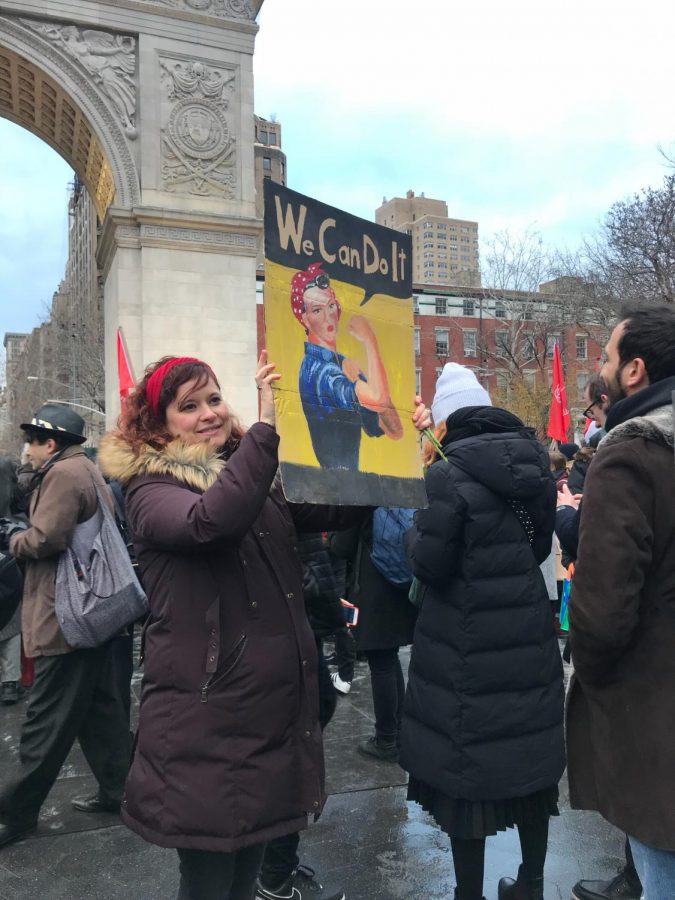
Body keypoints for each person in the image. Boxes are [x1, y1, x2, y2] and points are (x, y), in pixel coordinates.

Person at [98, 352, 432, 900]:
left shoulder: (249, 475)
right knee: (210, 882)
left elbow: (337, 506)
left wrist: (401, 451)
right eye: (189, 406)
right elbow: (211, 523)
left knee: (246, 874)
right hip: (206, 718)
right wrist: (263, 435)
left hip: (263, 714)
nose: (210, 413)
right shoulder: (150, 490)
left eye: (213, 398)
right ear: (158, 426)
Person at [400, 363, 565, 900]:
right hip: (526, 631)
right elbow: (538, 548)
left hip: (465, 642)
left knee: (467, 777)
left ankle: (467, 891)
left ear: (446, 423)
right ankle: (531, 884)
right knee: (528, 762)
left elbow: (429, 564)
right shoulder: (534, 464)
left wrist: (413, 532)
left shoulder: (445, 476)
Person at [567, 305, 675, 900]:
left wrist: (596, 675)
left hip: (656, 717)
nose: (600, 367)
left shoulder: (629, 453)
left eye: (606, 356)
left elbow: (602, 613)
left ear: (634, 371)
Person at [0, 403, 132, 849]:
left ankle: (13, 815)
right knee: (100, 714)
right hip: (91, 617)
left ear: (50, 443)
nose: (27, 450)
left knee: (44, 722)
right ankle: (123, 792)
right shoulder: (87, 469)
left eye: (31, 442)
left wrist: (13, 537)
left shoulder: (62, 475)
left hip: (65, 619)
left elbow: (46, 539)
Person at [291, 262, 402, 469]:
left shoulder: (340, 364)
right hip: (336, 490)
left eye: (331, 305)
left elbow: (394, 429)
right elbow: (379, 399)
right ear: (305, 319)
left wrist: (361, 383)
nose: (328, 317)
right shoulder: (320, 371)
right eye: (317, 310)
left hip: (353, 490)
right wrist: (370, 341)